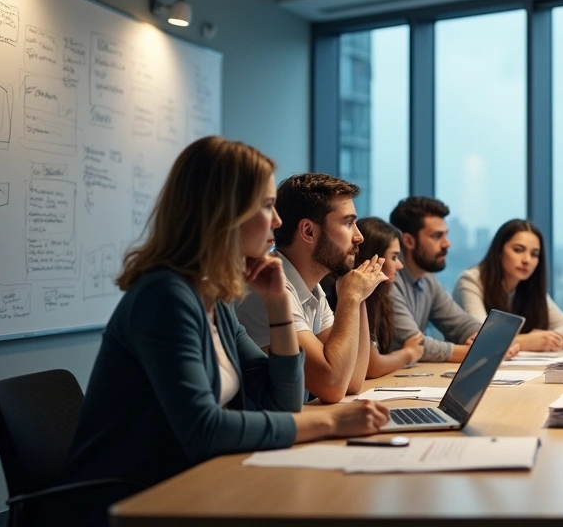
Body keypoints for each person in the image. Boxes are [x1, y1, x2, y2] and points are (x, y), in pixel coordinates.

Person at [57, 137, 387, 525]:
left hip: (188, 485)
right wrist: (331, 421)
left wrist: (279, 309)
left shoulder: (213, 298)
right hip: (125, 503)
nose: (278, 222)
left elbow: (282, 402)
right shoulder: (165, 295)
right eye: (266, 207)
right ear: (224, 214)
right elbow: (204, 429)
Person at [236, 173, 384, 404]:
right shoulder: (264, 286)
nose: (359, 236)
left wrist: (360, 294)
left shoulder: (312, 289)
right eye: (348, 222)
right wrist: (351, 297)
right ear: (308, 231)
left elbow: (352, 380)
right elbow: (331, 385)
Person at [388, 197, 519, 362]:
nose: (446, 244)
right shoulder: (389, 279)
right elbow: (412, 344)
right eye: (437, 236)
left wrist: (488, 338)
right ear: (408, 241)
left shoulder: (427, 279)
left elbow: (459, 322)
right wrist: (477, 351)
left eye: (446, 235)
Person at [454, 219, 563, 350]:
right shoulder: (471, 281)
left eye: (534, 254)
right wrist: (527, 341)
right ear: (499, 252)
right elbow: (481, 338)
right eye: (518, 250)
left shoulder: (530, 287)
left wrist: (552, 340)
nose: (527, 260)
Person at [323, 217, 426, 378]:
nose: (400, 265)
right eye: (393, 257)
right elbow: (372, 367)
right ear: (371, 258)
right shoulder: (335, 294)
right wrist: (409, 353)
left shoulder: (381, 295)